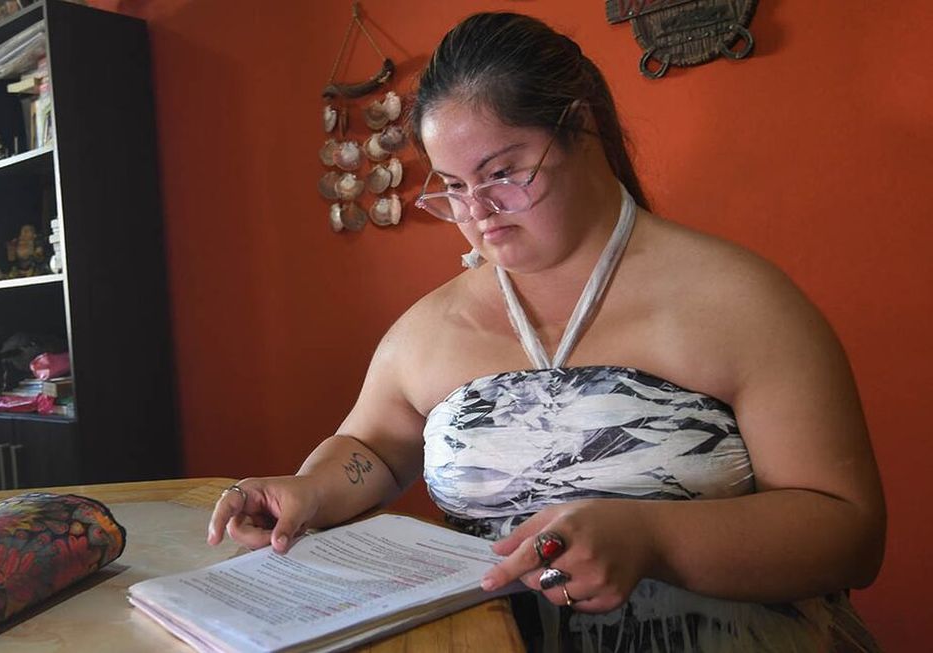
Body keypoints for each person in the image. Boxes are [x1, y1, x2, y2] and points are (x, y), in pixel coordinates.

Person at [208, 12, 885, 652]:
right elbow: (372, 447)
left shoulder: (738, 302)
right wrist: (310, 489)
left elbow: (849, 532)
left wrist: (655, 538)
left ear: (580, 128)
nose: (478, 212)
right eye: (453, 186)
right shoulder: (431, 329)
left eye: (503, 173)